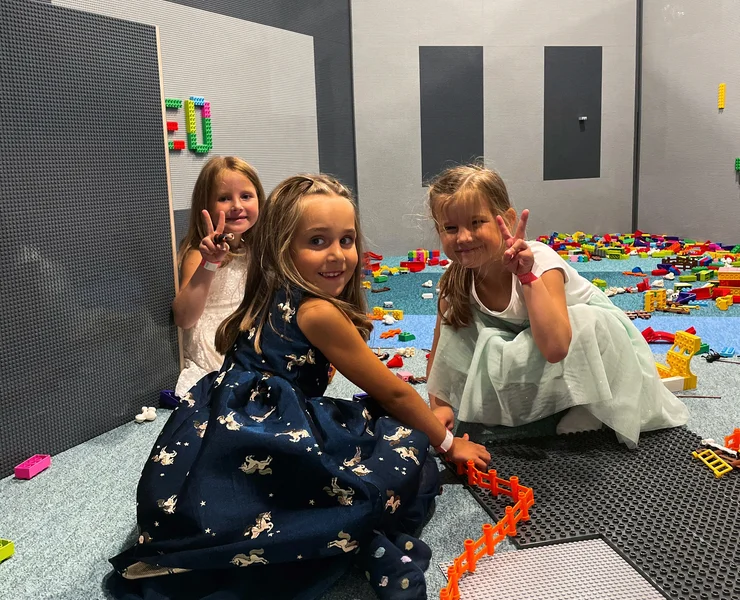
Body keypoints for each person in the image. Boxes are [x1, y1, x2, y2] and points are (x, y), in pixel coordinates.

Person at [110, 173, 490, 600]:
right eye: (317, 241)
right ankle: (363, 542)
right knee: (404, 451)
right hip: (272, 433)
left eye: (347, 240)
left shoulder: (271, 288)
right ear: (283, 248)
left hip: (217, 432)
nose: (338, 255)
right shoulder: (318, 313)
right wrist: (449, 444)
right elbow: (395, 392)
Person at [426, 164, 689, 448]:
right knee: (461, 325)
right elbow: (442, 347)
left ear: (508, 220)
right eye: (450, 228)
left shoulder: (539, 261)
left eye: (477, 222)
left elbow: (556, 347)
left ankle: (589, 404)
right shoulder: (456, 279)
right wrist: (439, 405)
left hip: (589, 346)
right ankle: (552, 400)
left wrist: (527, 277)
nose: (463, 237)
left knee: (584, 321)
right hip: (531, 341)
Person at [172, 156, 264, 398]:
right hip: (218, 342)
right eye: (224, 198)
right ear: (205, 206)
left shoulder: (254, 250)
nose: (237, 205)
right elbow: (184, 318)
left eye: (246, 196)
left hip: (250, 332)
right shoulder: (197, 253)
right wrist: (210, 263)